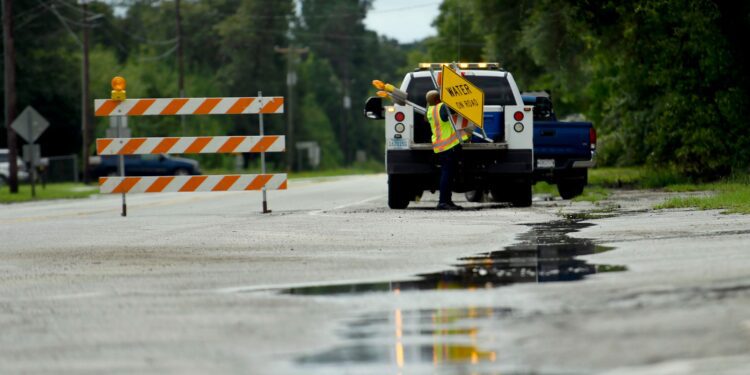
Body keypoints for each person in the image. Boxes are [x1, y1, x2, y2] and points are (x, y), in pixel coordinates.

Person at [425, 90, 464, 210]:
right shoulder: (441, 107)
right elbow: (458, 107)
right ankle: (443, 202)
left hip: (441, 146)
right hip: (448, 146)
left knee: (448, 173)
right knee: (447, 174)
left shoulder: (430, 111)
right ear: (438, 99)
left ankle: (447, 201)